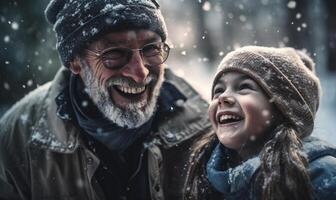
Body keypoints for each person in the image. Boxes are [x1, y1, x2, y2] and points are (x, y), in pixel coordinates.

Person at [0, 0, 211, 199]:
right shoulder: (16, 142)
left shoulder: (202, 127)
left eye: (151, 49)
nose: (140, 73)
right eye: (115, 53)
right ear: (76, 62)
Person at [184, 46, 336, 200]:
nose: (222, 98)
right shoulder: (203, 174)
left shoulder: (325, 178)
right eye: (218, 90)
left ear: (282, 108)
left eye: (243, 87)